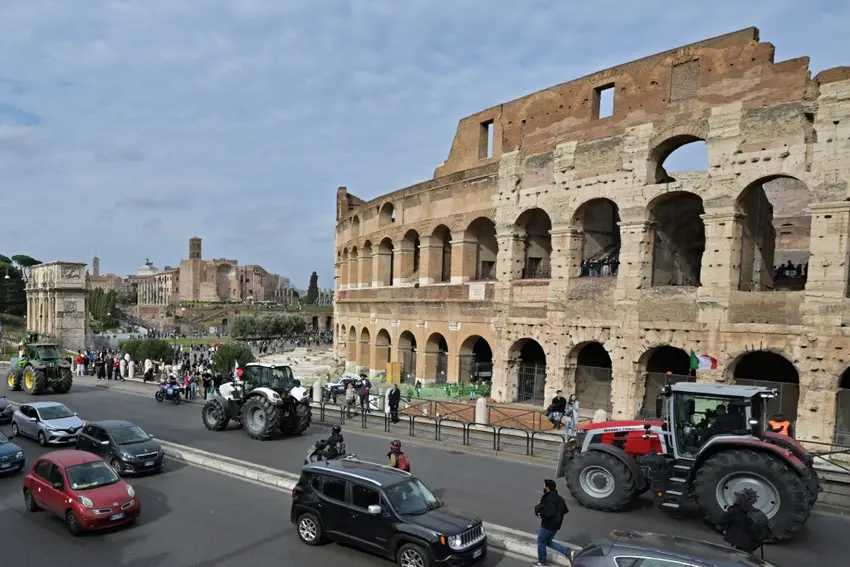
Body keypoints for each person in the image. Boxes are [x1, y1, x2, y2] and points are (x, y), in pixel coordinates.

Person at [533, 479, 575, 566]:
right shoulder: (559, 498)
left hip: (548, 525)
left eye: (544, 485)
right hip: (556, 525)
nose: (543, 487)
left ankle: (542, 562)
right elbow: (564, 510)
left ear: (548, 488)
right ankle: (567, 551)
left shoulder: (549, 498)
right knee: (547, 541)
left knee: (541, 541)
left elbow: (550, 512)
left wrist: (541, 514)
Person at [720, 488, 771, 555]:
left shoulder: (734, 511)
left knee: (738, 558)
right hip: (752, 542)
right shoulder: (752, 510)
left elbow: (720, 520)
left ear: (737, 500)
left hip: (740, 543)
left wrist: (725, 511)